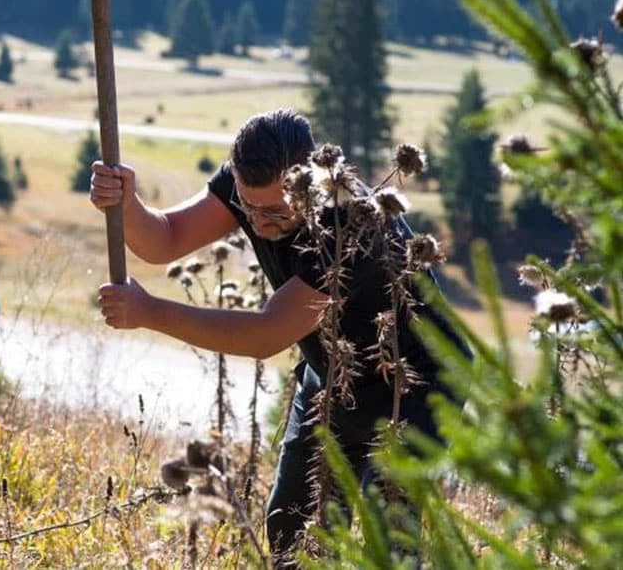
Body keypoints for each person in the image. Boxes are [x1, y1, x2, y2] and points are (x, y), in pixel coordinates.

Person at [90, 108, 468, 565]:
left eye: (273, 210)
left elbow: (267, 334)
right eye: (247, 208)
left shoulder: (352, 224)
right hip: (333, 378)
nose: (257, 221)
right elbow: (164, 239)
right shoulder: (247, 184)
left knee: (386, 538)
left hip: (415, 388)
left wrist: (150, 312)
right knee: (292, 526)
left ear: (306, 182)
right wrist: (127, 203)